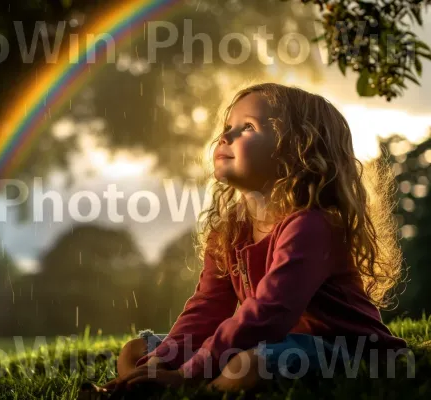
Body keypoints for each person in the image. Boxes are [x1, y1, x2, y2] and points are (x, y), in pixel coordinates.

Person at [100, 82, 410, 394]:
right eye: (227, 126)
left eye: (247, 127)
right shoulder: (229, 230)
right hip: (269, 341)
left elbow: (268, 314)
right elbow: (207, 306)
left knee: (246, 365)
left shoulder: (311, 226)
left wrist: (190, 372)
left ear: (298, 150)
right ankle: (142, 385)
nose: (225, 137)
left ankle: (193, 391)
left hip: (345, 349)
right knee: (136, 350)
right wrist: (162, 360)